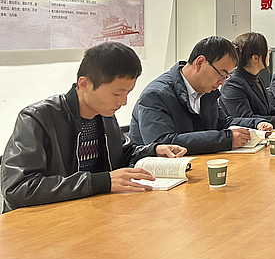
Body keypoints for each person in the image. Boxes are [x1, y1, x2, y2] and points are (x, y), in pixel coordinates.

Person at [1, 42, 187, 212]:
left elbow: (121, 154)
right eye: (117, 94)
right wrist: (102, 182)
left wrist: (154, 150)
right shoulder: (37, 118)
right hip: (44, 222)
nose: (123, 102)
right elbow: (17, 188)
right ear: (84, 84)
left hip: (89, 213)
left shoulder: (104, 114)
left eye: (128, 93)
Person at [129, 36, 270, 155]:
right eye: (221, 75)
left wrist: (256, 123)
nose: (222, 82)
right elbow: (164, 143)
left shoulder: (207, 92)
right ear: (200, 62)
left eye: (227, 77)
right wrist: (226, 139)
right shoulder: (156, 95)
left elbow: (223, 122)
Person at [218, 32, 275, 129]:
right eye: (267, 51)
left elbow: (270, 111)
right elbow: (247, 119)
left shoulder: (257, 78)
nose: (269, 54)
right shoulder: (233, 84)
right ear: (255, 58)